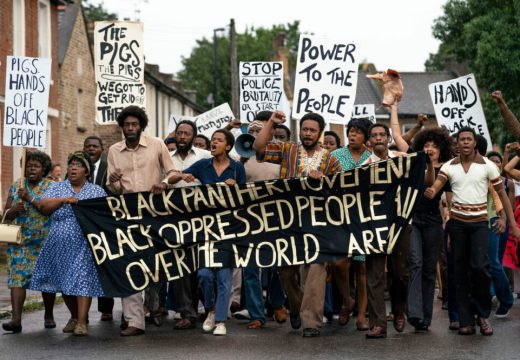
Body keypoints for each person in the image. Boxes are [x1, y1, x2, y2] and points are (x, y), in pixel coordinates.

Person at [253, 111, 341, 337]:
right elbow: (259, 148)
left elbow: (339, 192)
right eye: (305, 129)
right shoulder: (288, 150)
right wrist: (272, 122)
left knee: (316, 268)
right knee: (286, 271)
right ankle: (296, 306)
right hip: (288, 221)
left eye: (313, 130)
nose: (308, 133)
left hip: (318, 224)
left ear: (320, 133)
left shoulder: (331, 160)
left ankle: (311, 322)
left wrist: (323, 180)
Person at [425, 127, 520, 336]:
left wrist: (511, 223)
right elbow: (438, 183)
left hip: (480, 224)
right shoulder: (450, 166)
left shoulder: (488, 166)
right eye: (462, 140)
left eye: (469, 139)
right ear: (457, 144)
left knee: (480, 268)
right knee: (460, 272)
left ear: (474, 143)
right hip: (457, 225)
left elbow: (502, 195)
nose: (466, 143)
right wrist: (432, 189)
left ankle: (482, 315)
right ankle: (465, 321)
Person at [107, 105, 178, 336]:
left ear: (141, 126)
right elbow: (114, 190)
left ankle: (154, 306)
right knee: (130, 266)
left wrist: (165, 184)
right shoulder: (114, 151)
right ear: (122, 127)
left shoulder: (157, 144)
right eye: (127, 125)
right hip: (128, 216)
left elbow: (173, 172)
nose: (130, 128)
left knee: (156, 265)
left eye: (134, 124)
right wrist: (114, 182)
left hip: (156, 214)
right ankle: (134, 321)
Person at [168, 129, 246, 336]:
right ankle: (210, 309)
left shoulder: (237, 168)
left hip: (228, 230)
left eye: (218, 141)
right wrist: (183, 175)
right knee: (203, 275)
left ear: (228, 146)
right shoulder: (203, 165)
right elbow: (173, 178)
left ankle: (220, 320)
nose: (213, 143)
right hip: (206, 229)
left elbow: (246, 199)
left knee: (223, 276)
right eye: (212, 140)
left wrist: (236, 187)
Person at [30, 151, 107, 336]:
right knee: (64, 283)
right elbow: (43, 206)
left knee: (82, 279)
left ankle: (81, 322)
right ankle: (75, 316)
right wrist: (63, 200)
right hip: (59, 244)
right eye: (71, 164)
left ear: (87, 172)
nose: (73, 168)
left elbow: (106, 214)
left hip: (85, 244)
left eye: (79, 165)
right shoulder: (58, 188)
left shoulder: (96, 191)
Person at [362, 122, 409, 339]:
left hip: (400, 223)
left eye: (382, 135)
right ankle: (378, 323)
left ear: (388, 139)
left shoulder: (402, 159)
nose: (379, 138)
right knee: (375, 275)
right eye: (375, 135)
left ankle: (399, 309)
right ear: (369, 141)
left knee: (399, 273)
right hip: (374, 225)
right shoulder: (362, 168)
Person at [405, 127, 454, 332]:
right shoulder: (414, 163)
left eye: (434, 145)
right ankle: (414, 313)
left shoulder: (448, 169)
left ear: (441, 148)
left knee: (428, 268)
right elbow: (399, 139)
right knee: (415, 263)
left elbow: (437, 192)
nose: (430, 148)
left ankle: (425, 318)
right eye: (426, 145)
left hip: (433, 221)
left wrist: (449, 223)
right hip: (413, 219)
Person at [1, 150, 55, 334]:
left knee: (46, 280)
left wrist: (29, 198)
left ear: (44, 169)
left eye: (36, 166)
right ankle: (16, 320)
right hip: (20, 243)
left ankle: (49, 315)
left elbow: (49, 210)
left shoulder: (51, 186)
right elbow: (5, 215)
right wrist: (13, 210)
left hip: (44, 241)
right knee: (17, 279)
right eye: (29, 165)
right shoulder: (16, 185)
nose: (32, 168)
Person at [330, 118, 373, 331]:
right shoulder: (336, 156)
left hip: (365, 219)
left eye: (357, 132)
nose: (353, 135)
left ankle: (362, 315)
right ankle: (348, 302)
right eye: (351, 131)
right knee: (340, 264)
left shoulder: (372, 157)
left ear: (366, 136)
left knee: (362, 267)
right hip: (341, 218)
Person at [168, 119, 211, 330]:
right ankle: (187, 313)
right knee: (180, 267)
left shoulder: (205, 156)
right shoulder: (165, 158)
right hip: (175, 219)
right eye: (179, 133)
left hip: (201, 218)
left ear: (194, 137)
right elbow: (159, 183)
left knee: (202, 266)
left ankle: (208, 309)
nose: (182, 137)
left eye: (187, 133)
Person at [83, 135, 113, 322]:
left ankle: (106, 308)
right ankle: (80, 314)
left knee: (104, 265)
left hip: (103, 224)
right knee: (84, 268)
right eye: (88, 146)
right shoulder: (76, 166)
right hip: (82, 224)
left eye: (95, 146)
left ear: (102, 149)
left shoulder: (109, 167)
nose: (91, 149)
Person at [486, 151, 515, 317]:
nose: (495, 164)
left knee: (495, 262)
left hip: (498, 222)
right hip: (481, 222)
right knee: (488, 262)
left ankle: (506, 299)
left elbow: (506, 204)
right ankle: (489, 295)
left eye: (498, 162)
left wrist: (506, 221)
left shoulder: (506, 183)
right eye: (492, 161)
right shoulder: (483, 175)